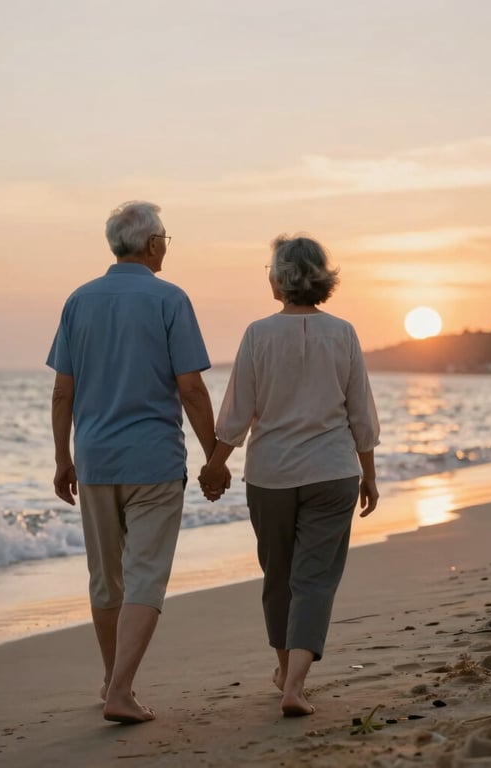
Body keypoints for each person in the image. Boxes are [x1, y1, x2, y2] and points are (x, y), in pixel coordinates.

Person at [47, 201, 227, 724]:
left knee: (106, 580)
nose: (167, 245)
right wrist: (214, 454)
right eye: (166, 237)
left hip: (96, 461)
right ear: (151, 244)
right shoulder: (170, 299)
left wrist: (63, 458)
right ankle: (120, 689)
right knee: (145, 577)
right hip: (154, 461)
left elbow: (63, 393)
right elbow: (190, 388)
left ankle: (112, 680)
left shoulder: (79, 300)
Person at [199, 234, 380, 718]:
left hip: (272, 475)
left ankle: (285, 672)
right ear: (321, 278)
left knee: (278, 576)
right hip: (333, 471)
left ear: (280, 279)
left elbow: (237, 412)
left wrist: (216, 464)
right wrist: (370, 474)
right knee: (315, 579)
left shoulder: (258, 334)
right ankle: (294, 683)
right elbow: (361, 414)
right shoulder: (343, 333)